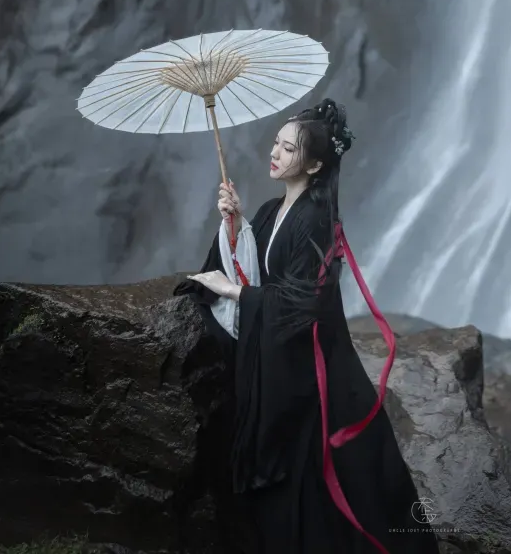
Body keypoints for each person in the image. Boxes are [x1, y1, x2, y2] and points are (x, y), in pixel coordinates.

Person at [174, 99, 440, 554]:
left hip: (313, 371)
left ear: (314, 165)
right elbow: (256, 268)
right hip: (284, 359)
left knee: (330, 479)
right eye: (276, 143)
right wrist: (234, 224)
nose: (274, 152)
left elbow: (304, 302)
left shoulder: (317, 219)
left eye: (288, 148)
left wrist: (234, 292)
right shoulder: (272, 209)